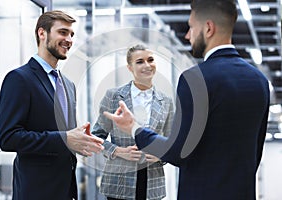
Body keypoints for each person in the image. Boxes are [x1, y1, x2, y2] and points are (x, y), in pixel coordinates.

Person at [103, 1, 270, 200]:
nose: (187, 35)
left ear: (208, 28)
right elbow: (255, 153)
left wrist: (134, 128)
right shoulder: (259, 80)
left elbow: (178, 152)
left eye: (191, 27)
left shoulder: (195, 79)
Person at [0, 10, 104, 200]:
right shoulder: (19, 79)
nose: (69, 39)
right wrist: (64, 139)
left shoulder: (68, 84)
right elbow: (8, 138)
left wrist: (80, 143)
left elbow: (64, 135)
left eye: (71, 34)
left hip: (66, 189)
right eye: (63, 32)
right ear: (42, 33)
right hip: (36, 191)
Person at [92, 44, 174, 200]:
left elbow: (171, 141)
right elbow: (96, 137)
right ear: (130, 67)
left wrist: (161, 155)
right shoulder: (113, 96)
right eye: (140, 61)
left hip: (152, 182)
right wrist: (119, 151)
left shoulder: (166, 101)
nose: (147, 65)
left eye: (150, 60)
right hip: (119, 182)